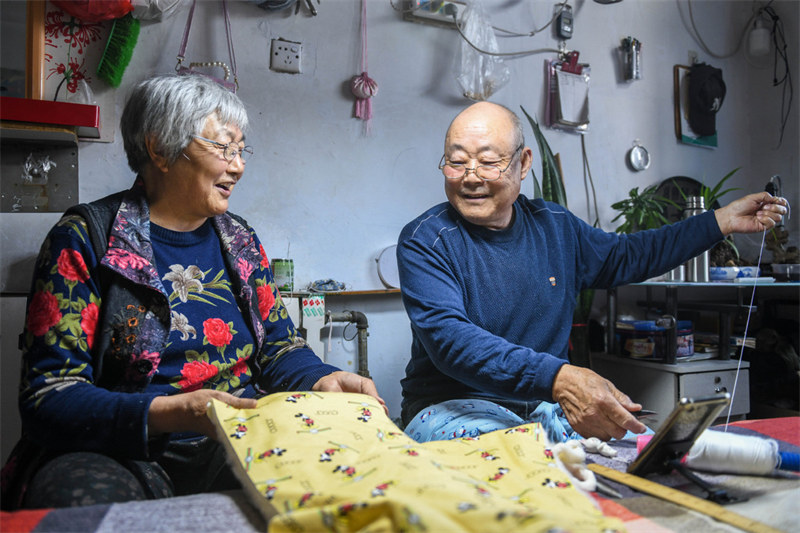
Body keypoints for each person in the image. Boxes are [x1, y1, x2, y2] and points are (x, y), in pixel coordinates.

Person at [1, 73, 384, 510]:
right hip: (121, 450)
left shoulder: (240, 240)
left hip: (239, 439)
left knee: (349, 479)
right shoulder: (86, 238)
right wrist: (174, 412)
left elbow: (278, 348)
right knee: (80, 499)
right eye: (223, 148)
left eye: (240, 150)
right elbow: (49, 396)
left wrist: (321, 378)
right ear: (160, 149)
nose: (237, 166)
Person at [397, 101, 787, 445]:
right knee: (522, 466)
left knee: (648, 453)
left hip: (540, 408)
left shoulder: (555, 226)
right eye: (457, 160)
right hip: (449, 408)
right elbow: (452, 342)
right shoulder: (426, 240)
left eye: (488, 161)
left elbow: (629, 255)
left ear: (524, 163)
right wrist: (562, 378)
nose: (471, 176)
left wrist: (719, 221)